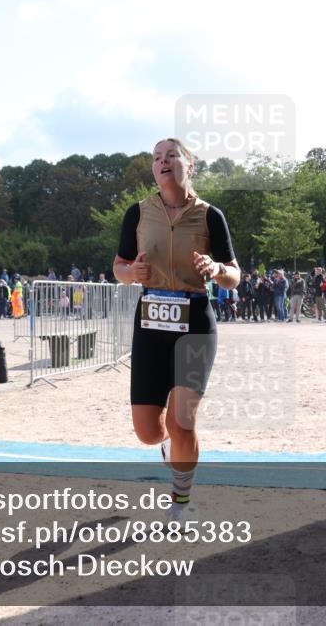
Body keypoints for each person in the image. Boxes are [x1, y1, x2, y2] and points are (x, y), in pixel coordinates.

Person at [112, 137, 239, 524]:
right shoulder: (137, 213)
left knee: (183, 421)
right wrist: (131, 274)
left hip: (194, 323)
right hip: (150, 323)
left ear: (190, 165)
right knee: (150, 432)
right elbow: (118, 267)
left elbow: (235, 275)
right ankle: (167, 447)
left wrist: (217, 270)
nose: (162, 162)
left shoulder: (209, 215)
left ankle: (181, 503)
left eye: (171, 156)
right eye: (155, 158)